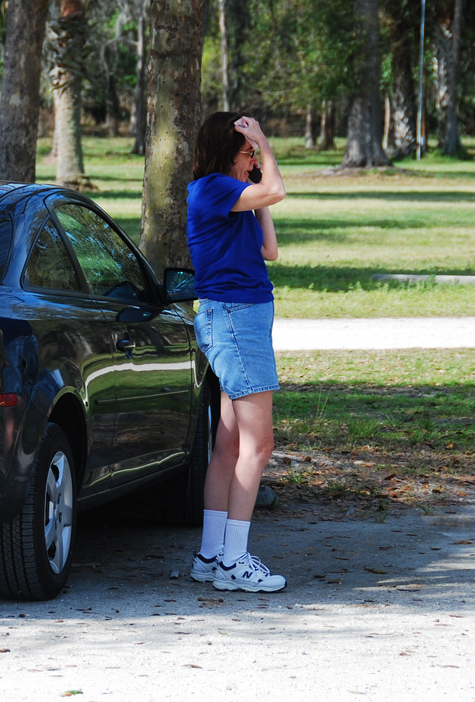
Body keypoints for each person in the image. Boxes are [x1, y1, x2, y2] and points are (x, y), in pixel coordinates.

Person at [185, 111, 288, 593]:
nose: (254, 159)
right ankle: (234, 561)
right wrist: (264, 146)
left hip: (236, 319)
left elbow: (270, 250)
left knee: (228, 445)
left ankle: (211, 555)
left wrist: (255, 180)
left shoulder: (234, 199)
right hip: (235, 320)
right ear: (229, 152)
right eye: (247, 152)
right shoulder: (210, 188)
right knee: (259, 445)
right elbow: (278, 191)